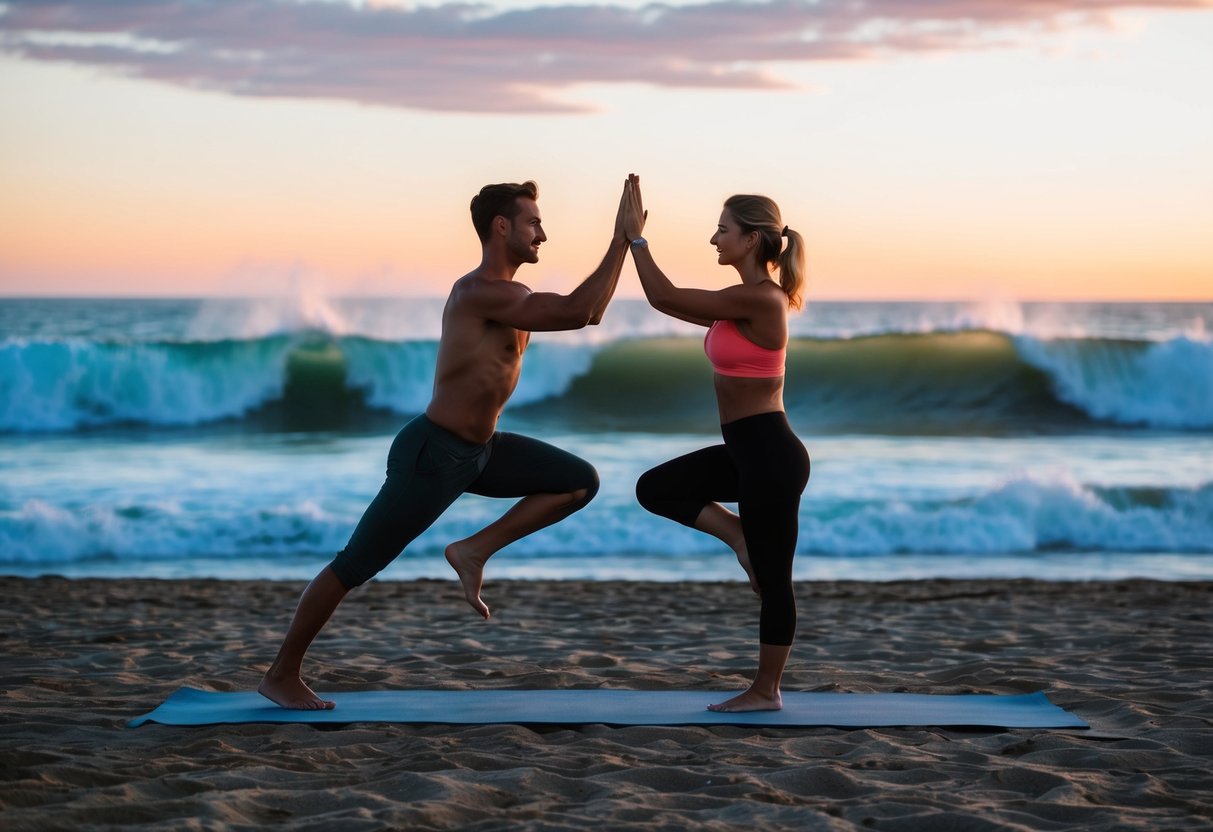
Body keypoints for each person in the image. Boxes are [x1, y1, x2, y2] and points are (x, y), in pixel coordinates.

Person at [259, 175, 645, 710]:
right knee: (355, 565)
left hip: (481, 452)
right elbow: (583, 312)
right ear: (501, 226)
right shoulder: (479, 292)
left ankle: (473, 550)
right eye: (534, 223)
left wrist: (626, 242)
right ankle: (282, 674)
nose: (543, 235)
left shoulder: (511, 294)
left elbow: (585, 311)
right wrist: (623, 240)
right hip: (434, 455)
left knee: (578, 481)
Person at [623, 181, 810, 712]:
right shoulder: (736, 304)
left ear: (751, 240)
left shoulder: (760, 298)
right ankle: (738, 536)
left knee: (775, 582)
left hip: (771, 455)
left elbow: (664, 296)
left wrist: (637, 240)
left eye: (723, 230)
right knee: (656, 488)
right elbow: (672, 303)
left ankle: (767, 690)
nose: (713, 239)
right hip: (747, 452)